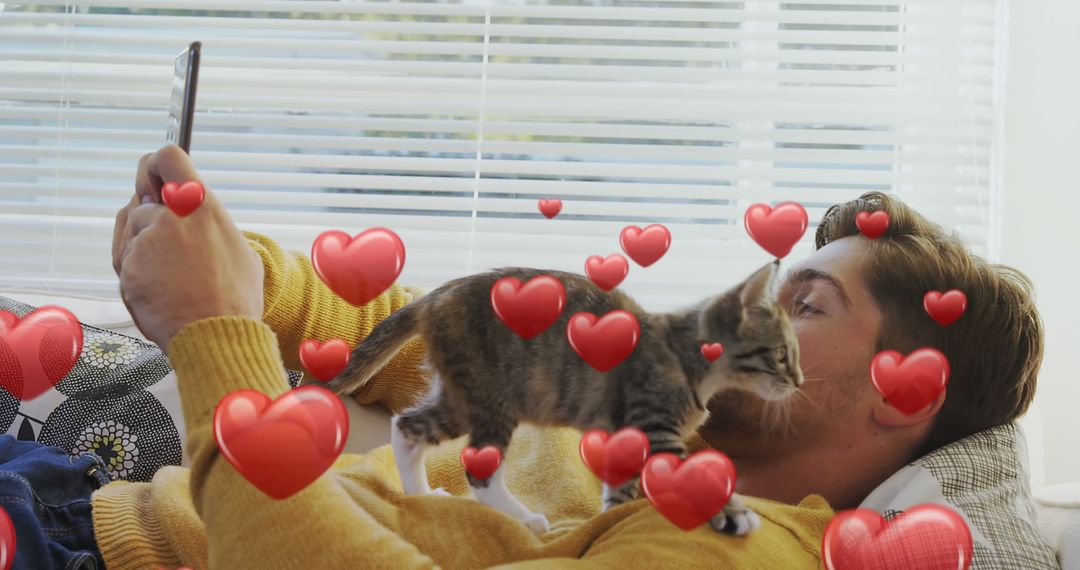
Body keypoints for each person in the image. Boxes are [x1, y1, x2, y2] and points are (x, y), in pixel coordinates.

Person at [0, 143, 1058, 569]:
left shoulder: (734, 551)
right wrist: (230, 271)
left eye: (806, 306)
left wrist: (209, 331)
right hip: (72, 495)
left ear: (901, 398)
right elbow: (434, 333)